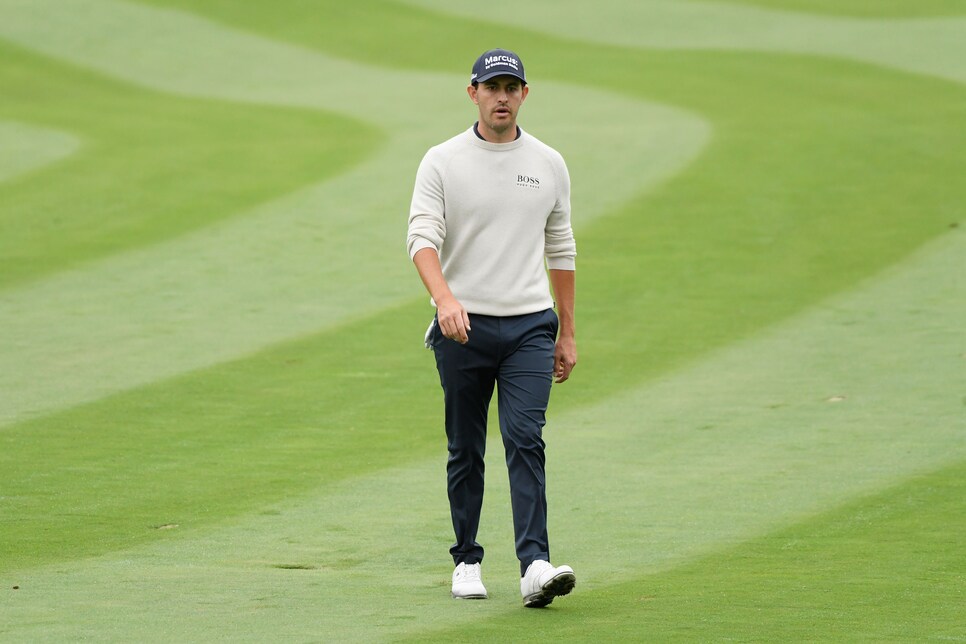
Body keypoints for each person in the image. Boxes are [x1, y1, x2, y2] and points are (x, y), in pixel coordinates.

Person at [407, 48, 578, 608]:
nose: (501, 97)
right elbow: (422, 239)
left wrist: (567, 330)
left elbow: (561, 244)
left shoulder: (549, 162)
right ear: (472, 93)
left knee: (526, 438)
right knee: (466, 447)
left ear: (525, 94)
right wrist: (444, 300)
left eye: (511, 87)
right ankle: (466, 559)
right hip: (464, 329)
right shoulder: (442, 161)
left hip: (530, 324)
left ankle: (535, 565)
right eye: (491, 87)